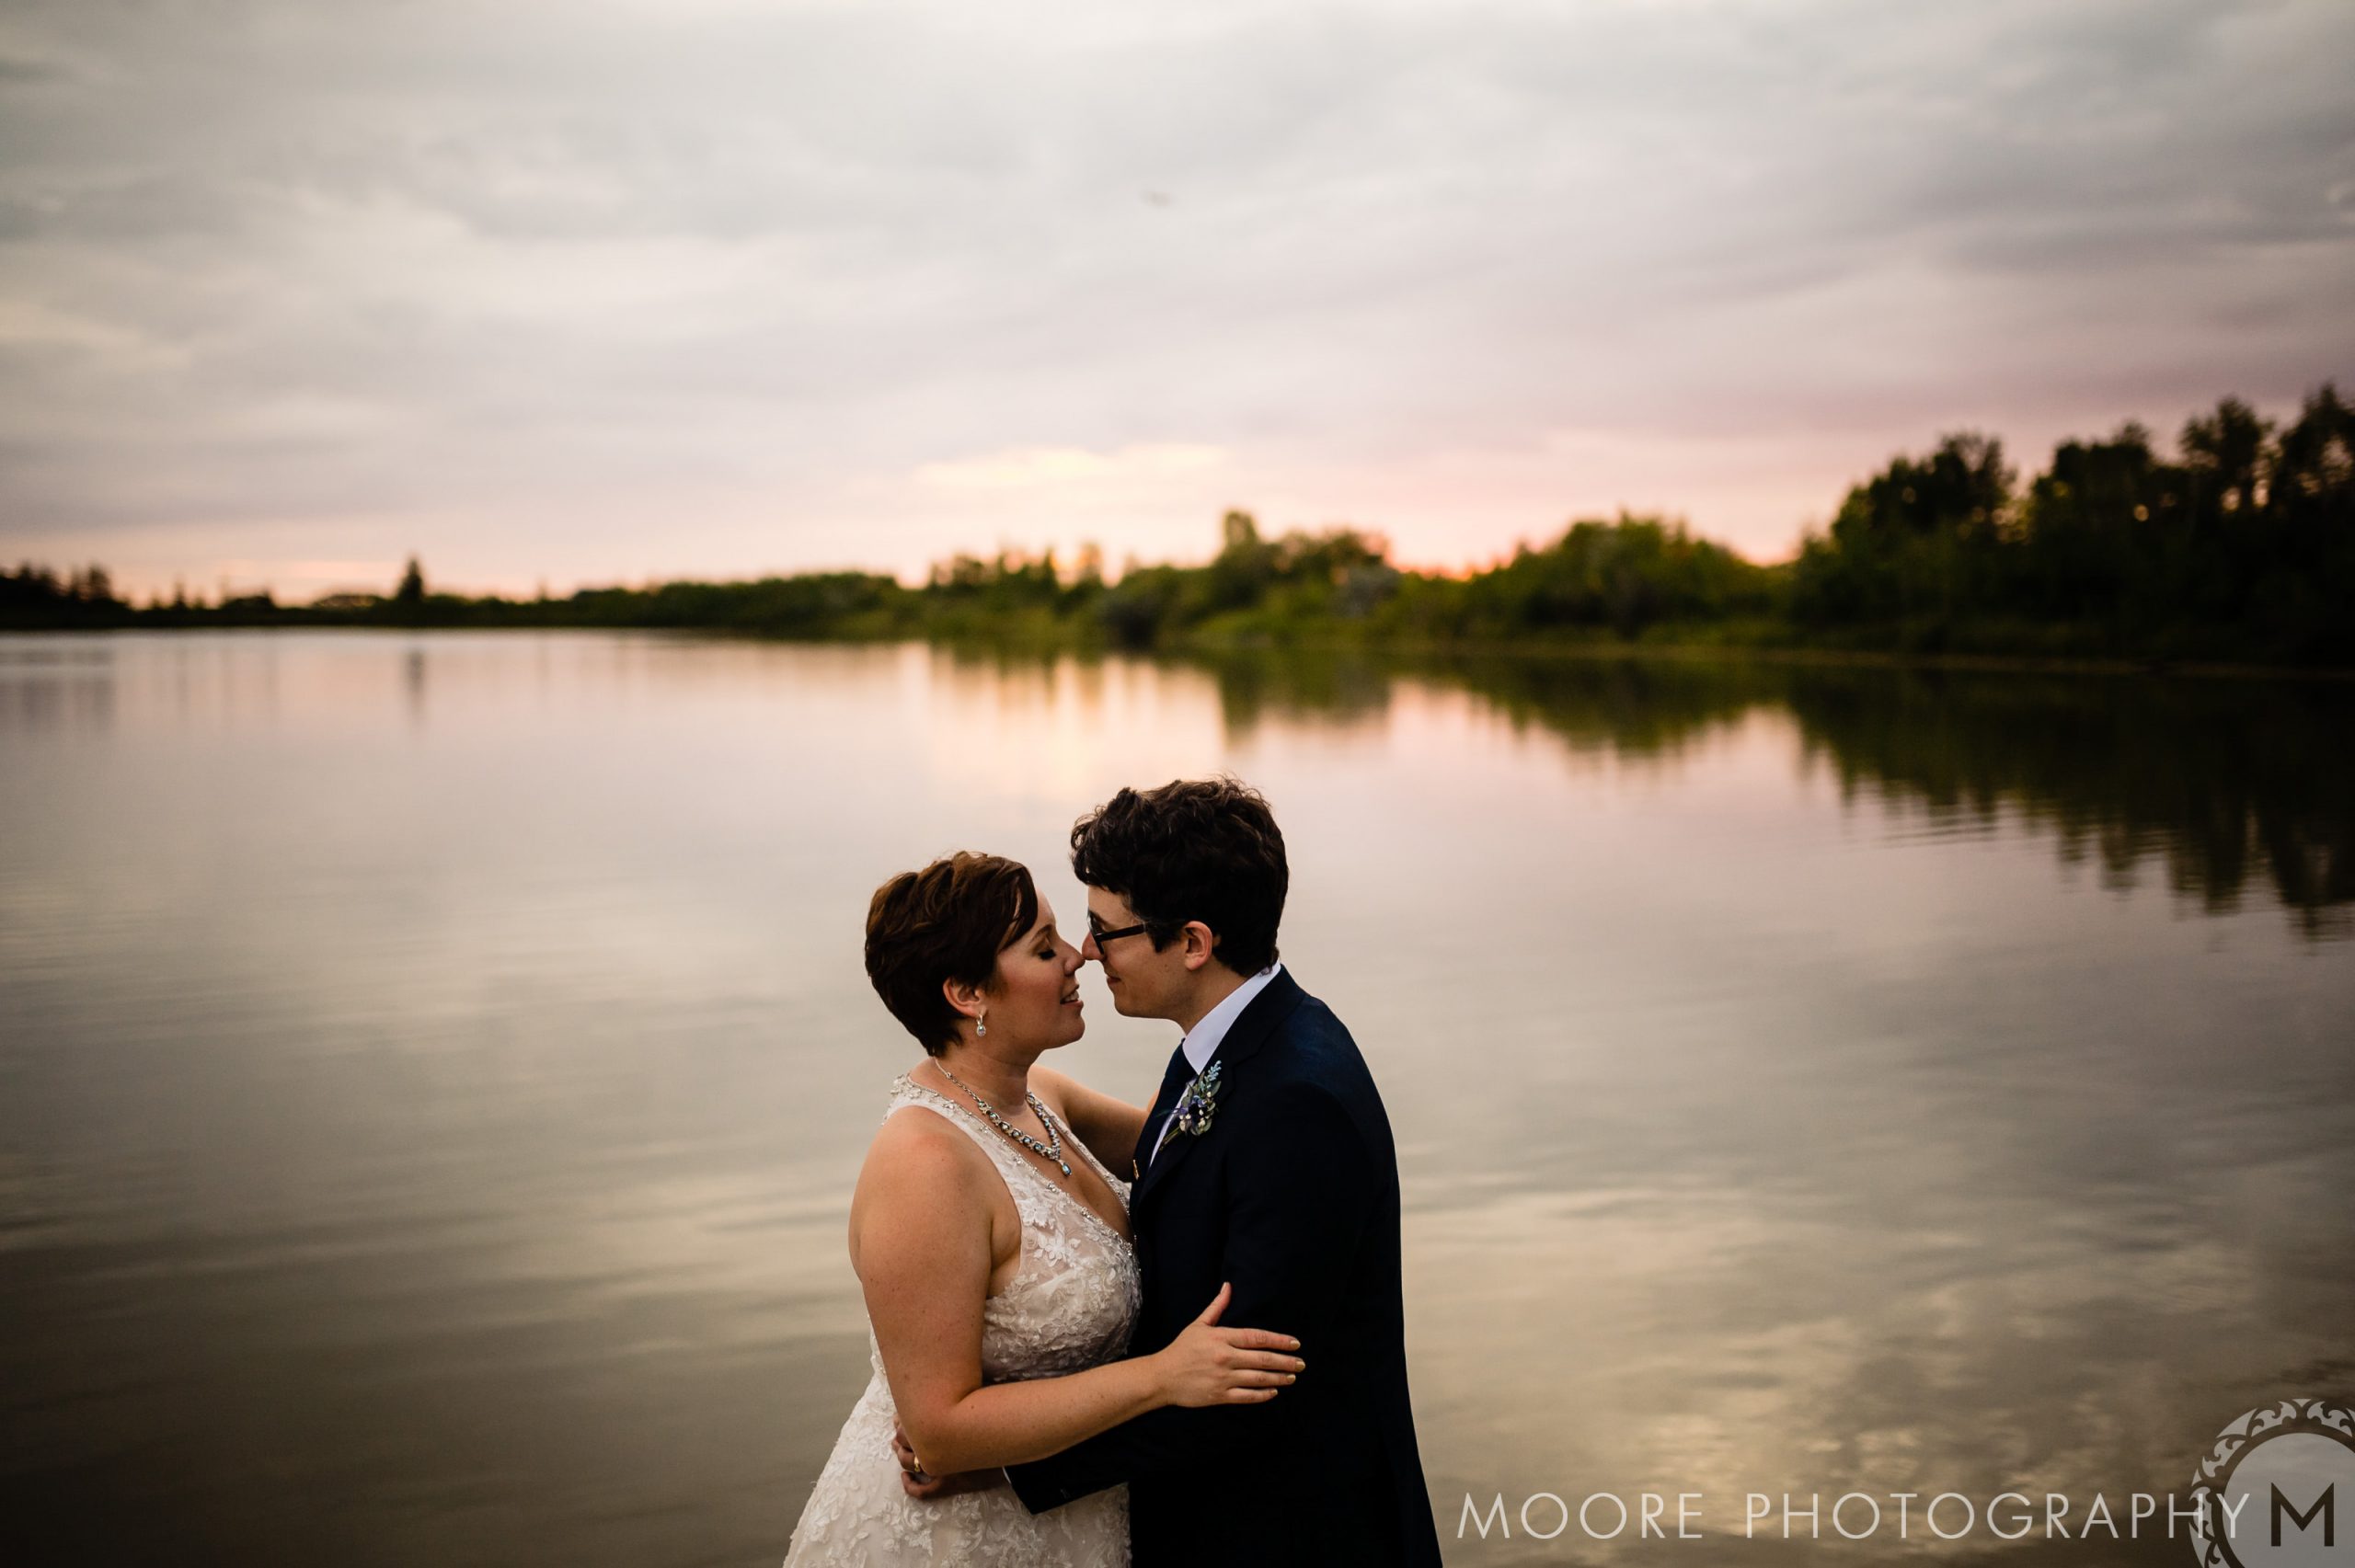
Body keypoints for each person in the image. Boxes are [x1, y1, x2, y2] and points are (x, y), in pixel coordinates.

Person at [902, 779, 1444, 1567]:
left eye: (1104, 930)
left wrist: (994, 1464)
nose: (1087, 951)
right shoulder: (1234, 1044)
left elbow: (1246, 1383)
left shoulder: (1297, 1099)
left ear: (1192, 943)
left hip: (1292, 1533)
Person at [781, 851, 1306, 1568]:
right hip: (954, 1534)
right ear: (969, 993)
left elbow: (1190, 1138)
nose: (1078, 957)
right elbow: (939, 1431)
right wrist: (1162, 1377)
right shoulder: (925, 1166)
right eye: (1044, 946)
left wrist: (1250, 1024)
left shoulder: (1043, 1098)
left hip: (1070, 1516)